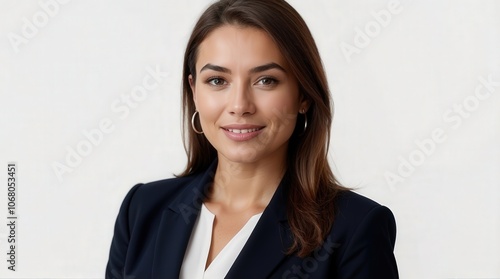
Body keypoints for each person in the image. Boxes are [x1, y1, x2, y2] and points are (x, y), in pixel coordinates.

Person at [105, 0, 399, 278]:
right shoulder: (143, 208)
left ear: (304, 95)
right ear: (194, 90)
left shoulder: (356, 228)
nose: (240, 105)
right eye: (217, 81)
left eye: (266, 80)